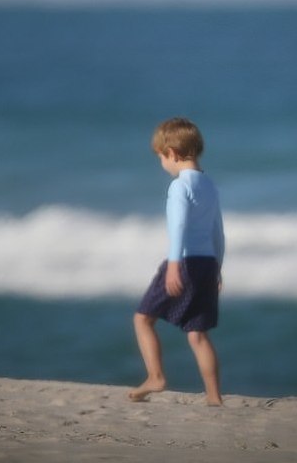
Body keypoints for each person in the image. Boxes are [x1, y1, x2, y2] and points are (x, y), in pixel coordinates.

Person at [129, 117, 226, 406]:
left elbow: (178, 226)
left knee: (143, 319)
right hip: (207, 263)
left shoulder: (179, 186)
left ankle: (155, 376)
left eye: (160, 157)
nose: (162, 163)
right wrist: (217, 268)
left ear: (171, 152)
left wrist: (173, 264)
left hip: (182, 261)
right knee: (197, 334)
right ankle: (214, 397)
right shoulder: (209, 185)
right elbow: (217, 232)